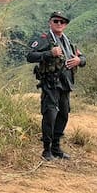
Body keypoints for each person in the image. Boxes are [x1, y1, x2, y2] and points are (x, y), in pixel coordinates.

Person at [26, 11, 86, 161]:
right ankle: (46, 150)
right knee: (50, 115)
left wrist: (79, 61)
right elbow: (30, 56)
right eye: (56, 21)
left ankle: (56, 147)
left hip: (65, 83)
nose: (59, 24)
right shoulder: (44, 40)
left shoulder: (68, 42)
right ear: (50, 22)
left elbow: (83, 57)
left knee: (63, 115)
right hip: (50, 83)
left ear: (65, 25)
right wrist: (49, 53)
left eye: (62, 22)